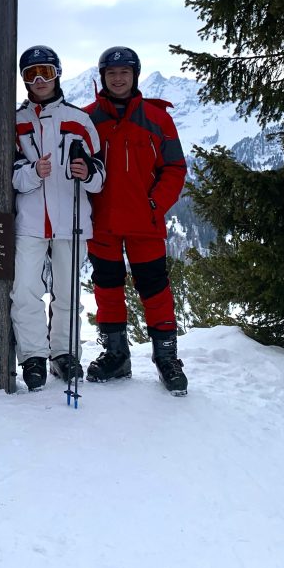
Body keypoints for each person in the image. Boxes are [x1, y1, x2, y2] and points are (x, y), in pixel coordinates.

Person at [83, 46, 189, 395]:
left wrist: (155, 204)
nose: (118, 78)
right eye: (112, 73)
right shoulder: (87, 120)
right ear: (102, 77)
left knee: (155, 288)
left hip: (145, 222)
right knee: (107, 288)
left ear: (135, 75)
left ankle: (166, 357)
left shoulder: (158, 119)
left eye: (124, 72)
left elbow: (174, 168)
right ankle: (117, 355)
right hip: (103, 222)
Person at [12, 46, 105, 392]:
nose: (39, 81)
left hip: (71, 220)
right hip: (32, 220)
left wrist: (86, 172)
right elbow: (13, 176)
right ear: (23, 80)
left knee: (67, 291)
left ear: (57, 75)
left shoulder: (79, 121)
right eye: (31, 74)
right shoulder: (17, 121)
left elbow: (99, 175)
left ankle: (64, 353)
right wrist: (34, 172)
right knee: (25, 288)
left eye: (45, 73)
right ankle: (34, 355)